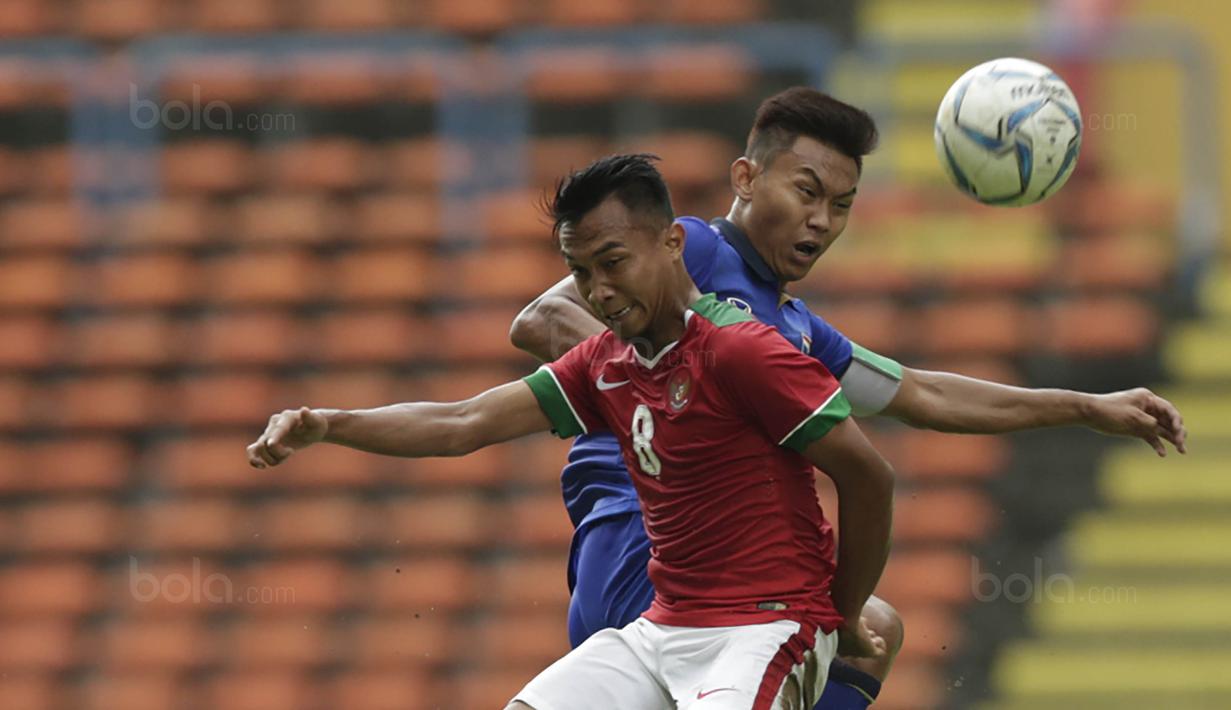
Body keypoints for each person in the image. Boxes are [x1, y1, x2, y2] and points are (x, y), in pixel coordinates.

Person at [509, 87, 1188, 708]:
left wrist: (1084, 405)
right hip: (644, 544)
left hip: (710, 581)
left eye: (840, 206)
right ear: (745, 178)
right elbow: (540, 320)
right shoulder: (693, 253)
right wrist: (677, 381)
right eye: (805, 193)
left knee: (868, 628)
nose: (820, 222)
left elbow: (921, 395)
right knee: (850, 628)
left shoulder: (794, 328)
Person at [248, 154, 896, 709]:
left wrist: (840, 609)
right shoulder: (605, 363)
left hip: (764, 629)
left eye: (613, 262)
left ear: (672, 242)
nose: (600, 290)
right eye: (581, 272)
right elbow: (463, 421)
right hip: (661, 631)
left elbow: (868, 475)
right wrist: (330, 423)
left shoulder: (743, 352)